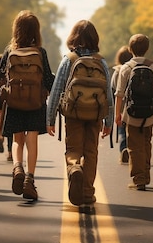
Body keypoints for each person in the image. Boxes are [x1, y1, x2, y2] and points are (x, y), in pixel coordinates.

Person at [46, 20, 114, 212]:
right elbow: (108, 93)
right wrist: (108, 121)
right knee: (91, 151)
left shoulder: (69, 59)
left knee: (74, 148)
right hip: (95, 115)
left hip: (73, 113)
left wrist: (50, 119)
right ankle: (87, 192)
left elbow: (57, 88)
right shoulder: (100, 61)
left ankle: (74, 167)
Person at [0, 10, 54, 201]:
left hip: (14, 103)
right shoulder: (40, 53)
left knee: (18, 140)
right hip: (35, 103)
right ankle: (30, 178)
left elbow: (0, 81)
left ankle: (17, 167)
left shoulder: (9, 52)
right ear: (36, 31)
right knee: (32, 140)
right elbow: (47, 80)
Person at [114, 34, 153, 191]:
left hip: (131, 113)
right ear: (147, 49)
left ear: (130, 49)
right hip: (148, 113)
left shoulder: (126, 68)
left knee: (134, 146)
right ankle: (146, 175)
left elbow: (119, 93)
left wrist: (117, 114)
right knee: (146, 143)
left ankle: (138, 179)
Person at [112, 46, 132, 165]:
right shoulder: (134, 69)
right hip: (133, 106)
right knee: (132, 130)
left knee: (122, 131)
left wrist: (115, 111)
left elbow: (113, 89)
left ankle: (123, 148)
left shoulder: (118, 71)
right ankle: (131, 149)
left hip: (120, 107)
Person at [0, 53, 13, 162]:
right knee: (11, 128)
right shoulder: (12, 71)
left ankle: (0, 136)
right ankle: (10, 152)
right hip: (11, 99)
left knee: (1, 123)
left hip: (1, 99)